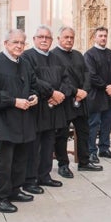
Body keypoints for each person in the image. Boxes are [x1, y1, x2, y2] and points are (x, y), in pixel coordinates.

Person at [0, 29, 39, 214]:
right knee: (5, 161)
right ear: (6, 43)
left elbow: (32, 84)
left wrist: (34, 96)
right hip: (5, 120)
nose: (19, 46)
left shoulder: (24, 63)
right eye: (15, 42)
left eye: (22, 43)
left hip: (24, 119)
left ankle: (15, 190)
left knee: (21, 158)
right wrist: (14, 101)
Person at [21, 25, 70, 193]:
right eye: (40, 37)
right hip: (37, 108)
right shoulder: (27, 57)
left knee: (49, 143)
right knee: (34, 146)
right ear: (34, 39)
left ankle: (45, 175)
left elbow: (65, 79)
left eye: (47, 37)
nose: (44, 40)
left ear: (51, 40)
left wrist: (60, 94)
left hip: (54, 108)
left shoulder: (56, 58)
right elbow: (31, 80)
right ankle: (30, 180)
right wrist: (51, 93)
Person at [51, 27, 102, 176]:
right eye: (66, 37)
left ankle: (84, 162)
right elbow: (57, 80)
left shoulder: (79, 55)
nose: (69, 40)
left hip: (81, 100)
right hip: (64, 101)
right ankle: (63, 164)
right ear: (59, 38)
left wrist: (84, 91)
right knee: (62, 134)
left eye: (71, 37)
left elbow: (87, 74)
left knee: (84, 131)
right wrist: (75, 92)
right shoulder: (53, 56)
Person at [84, 27, 111, 161]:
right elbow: (91, 76)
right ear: (94, 37)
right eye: (100, 36)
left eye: (105, 35)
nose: (103, 38)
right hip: (95, 96)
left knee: (107, 123)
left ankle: (104, 149)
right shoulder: (89, 54)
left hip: (110, 96)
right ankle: (91, 151)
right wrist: (107, 87)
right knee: (94, 125)